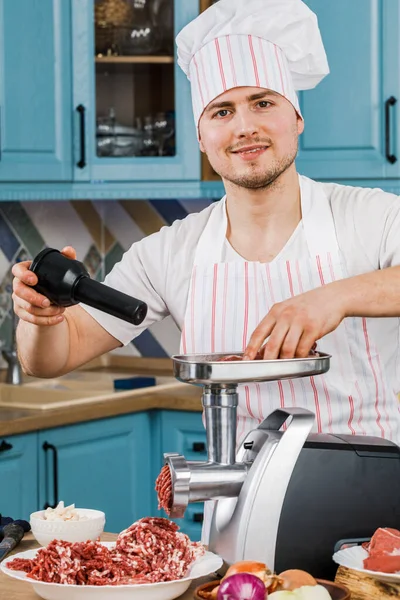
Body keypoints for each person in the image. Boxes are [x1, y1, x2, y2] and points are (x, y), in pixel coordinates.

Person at [11, 0, 400, 524]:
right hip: (240, 509)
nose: (245, 127)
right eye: (222, 111)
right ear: (200, 136)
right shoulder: (170, 251)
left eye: (263, 103)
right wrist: (41, 319)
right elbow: (52, 357)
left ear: (297, 117)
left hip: (375, 503)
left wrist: (334, 296)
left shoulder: (370, 216)